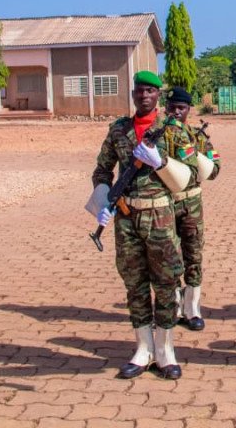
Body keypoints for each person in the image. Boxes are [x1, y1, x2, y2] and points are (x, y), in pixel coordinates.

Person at [88, 71, 198, 380]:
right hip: (126, 218)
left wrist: (160, 163)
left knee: (165, 284)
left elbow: (190, 175)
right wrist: (102, 201)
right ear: (134, 94)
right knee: (134, 284)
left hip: (161, 217)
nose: (144, 96)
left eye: (150, 91)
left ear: (158, 96)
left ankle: (164, 350)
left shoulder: (174, 131)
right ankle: (142, 348)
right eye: (140, 91)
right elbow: (101, 169)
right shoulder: (119, 130)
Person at [164, 86, 220, 331]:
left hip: (192, 203)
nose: (177, 112)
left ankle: (192, 306)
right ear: (166, 108)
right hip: (165, 202)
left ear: (189, 110)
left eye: (182, 108)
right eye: (173, 107)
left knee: (193, 253)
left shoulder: (197, 136)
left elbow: (215, 168)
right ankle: (175, 304)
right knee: (169, 254)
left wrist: (196, 154)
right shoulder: (157, 136)